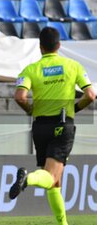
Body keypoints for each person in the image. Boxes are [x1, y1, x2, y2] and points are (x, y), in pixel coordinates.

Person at [9, 27, 95, 225]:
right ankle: (27, 179)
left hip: (40, 127)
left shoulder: (30, 69)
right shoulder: (73, 66)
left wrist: (30, 109)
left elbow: (20, 97)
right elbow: (90, 95)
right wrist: (76, 107)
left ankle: (62, 223)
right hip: (62, 125)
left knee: (54, 182)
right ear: (59, 46)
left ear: (40, 48)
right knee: (50, 176)